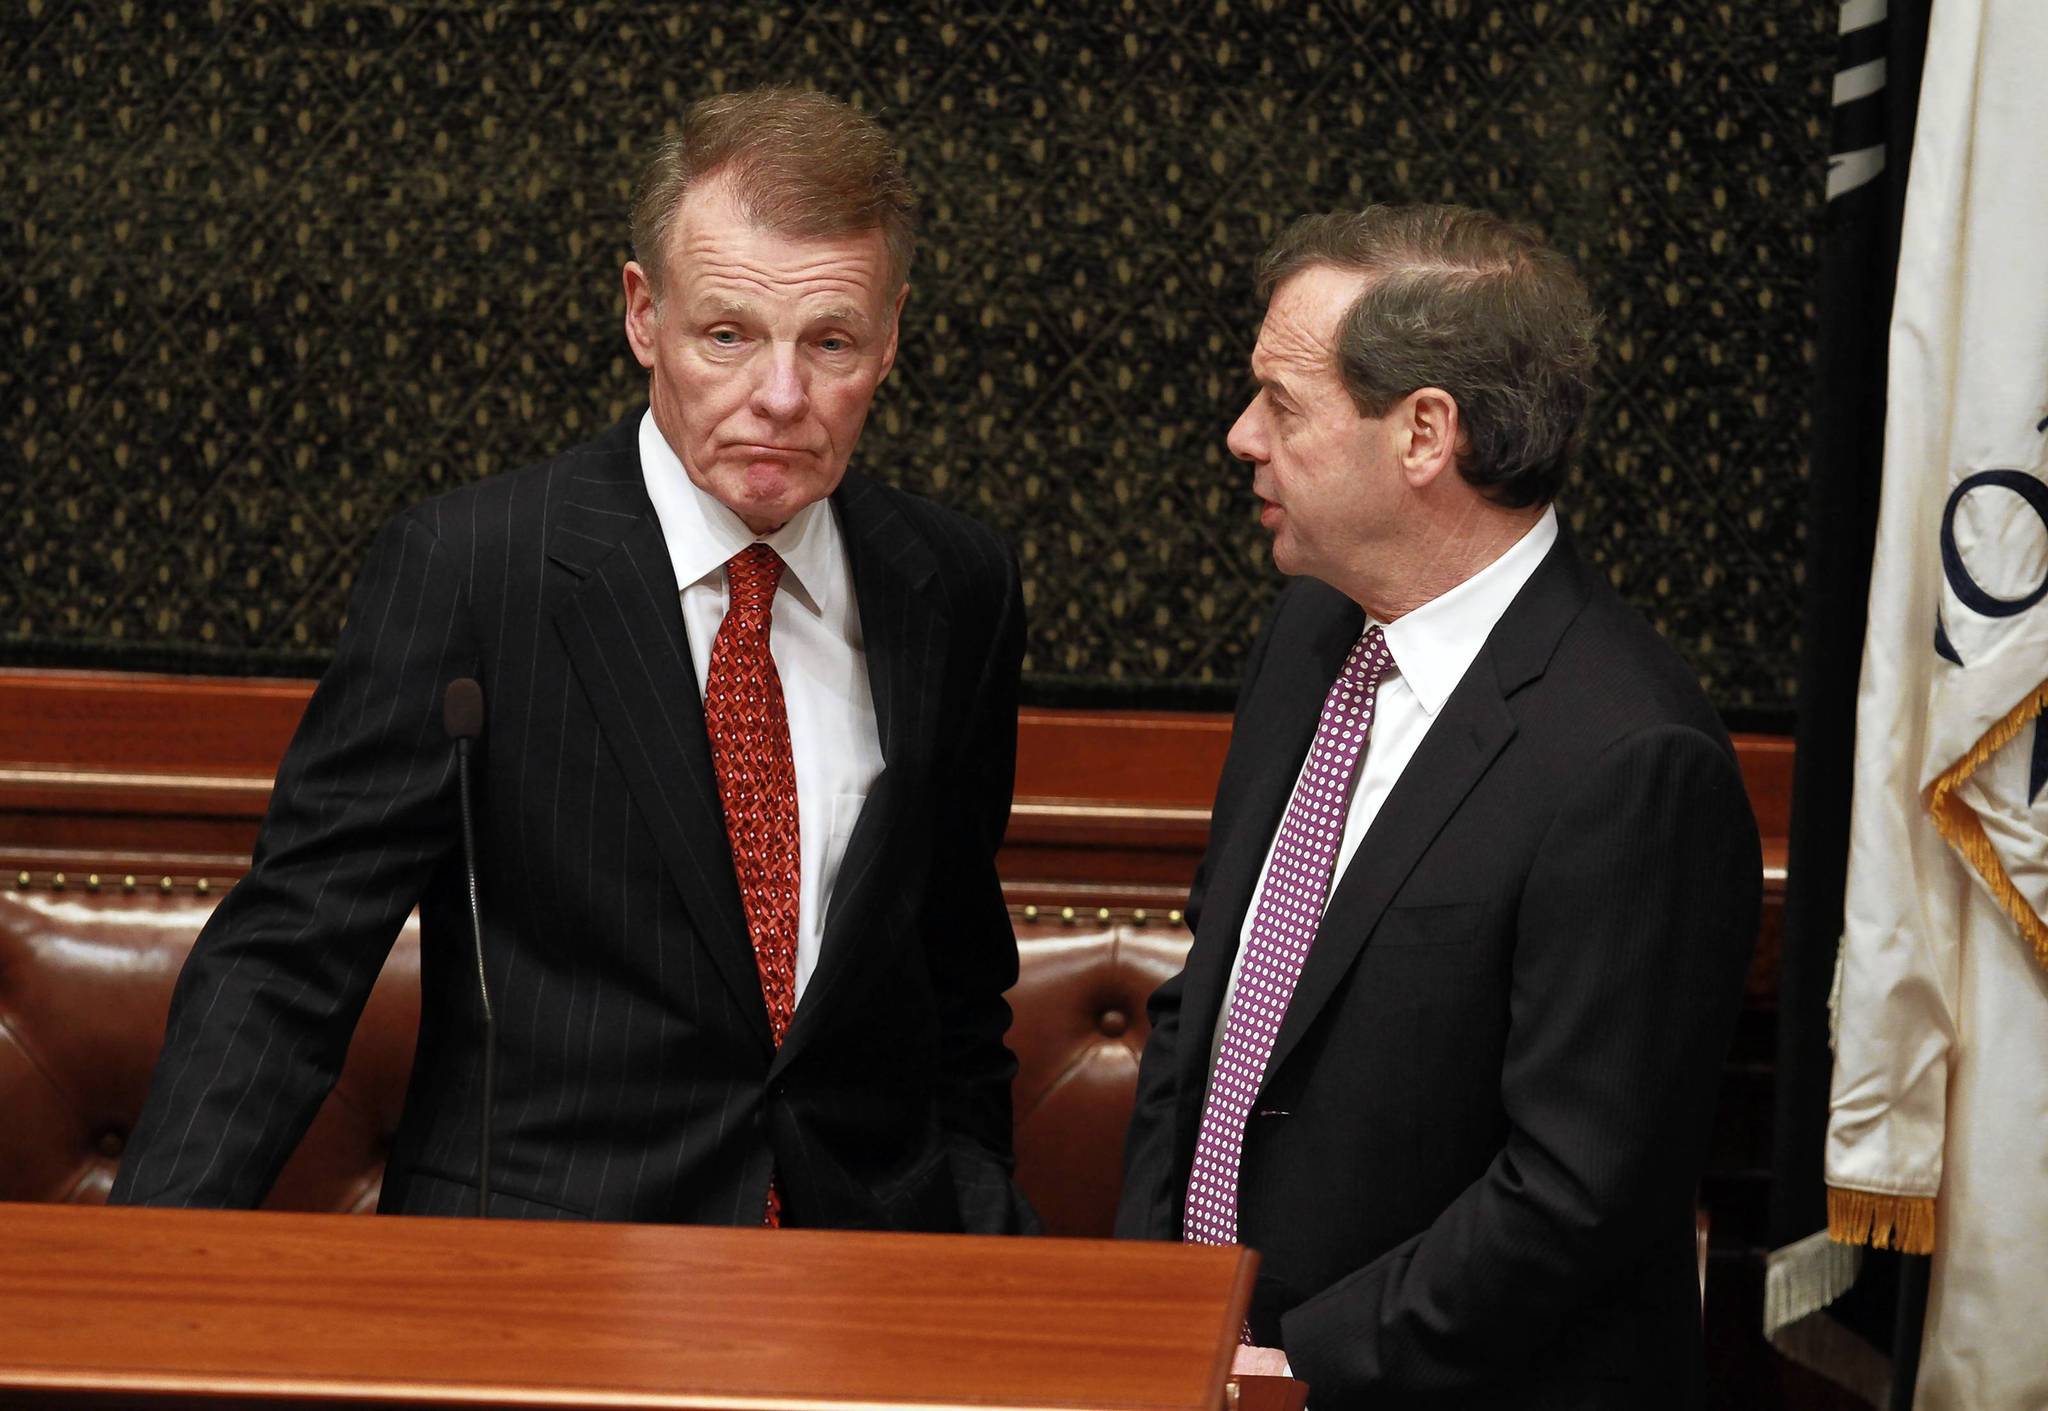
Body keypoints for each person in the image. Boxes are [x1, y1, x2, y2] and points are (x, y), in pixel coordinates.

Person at [113, 86, 1037, 1236]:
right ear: (643, 315)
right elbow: (293, 954)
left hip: (863, 1268)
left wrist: (974, 1220)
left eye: (831, 342)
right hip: (548, 1265)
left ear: (891, 337)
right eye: (728, 335)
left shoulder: (953, 584)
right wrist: (139, 1265)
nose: (781, 398)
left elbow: (954, 972)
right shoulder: (471, 570)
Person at [1115, 205, 1760, 1407]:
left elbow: (1572, 1194)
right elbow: (1206, 1001)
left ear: (1424, 433)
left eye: (1283, 403)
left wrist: (1296, 1365)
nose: (1239, 436)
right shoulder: (1311, 632)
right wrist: (1156, 1306)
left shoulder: (1632, 759)